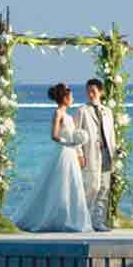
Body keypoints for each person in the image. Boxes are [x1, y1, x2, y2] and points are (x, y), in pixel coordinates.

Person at [14, 83, 92, 233]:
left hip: (71, 152)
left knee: (73, 185)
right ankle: (51, 217)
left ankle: (69, 217)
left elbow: (73, 135)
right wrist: (67, 142)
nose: (73, 99)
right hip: (63, 152)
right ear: (65, 98)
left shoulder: (69, 117)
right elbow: (54, 135)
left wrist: (79, 150)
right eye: (71, 96)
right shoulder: (58, 113)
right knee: (58, 185)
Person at [75, 77, 118, 231]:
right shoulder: (82, 111)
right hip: (90, 154)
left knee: (104, 188)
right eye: (88, 91)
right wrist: (80, 154)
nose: (90, 94)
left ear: (101, 92)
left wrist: (114, 154)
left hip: (106, 153)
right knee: (92, 187)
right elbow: (76, 135)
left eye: (93, 91)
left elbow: (111, 135)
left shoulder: (108, 112)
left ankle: (98, 222)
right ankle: (84, 220)